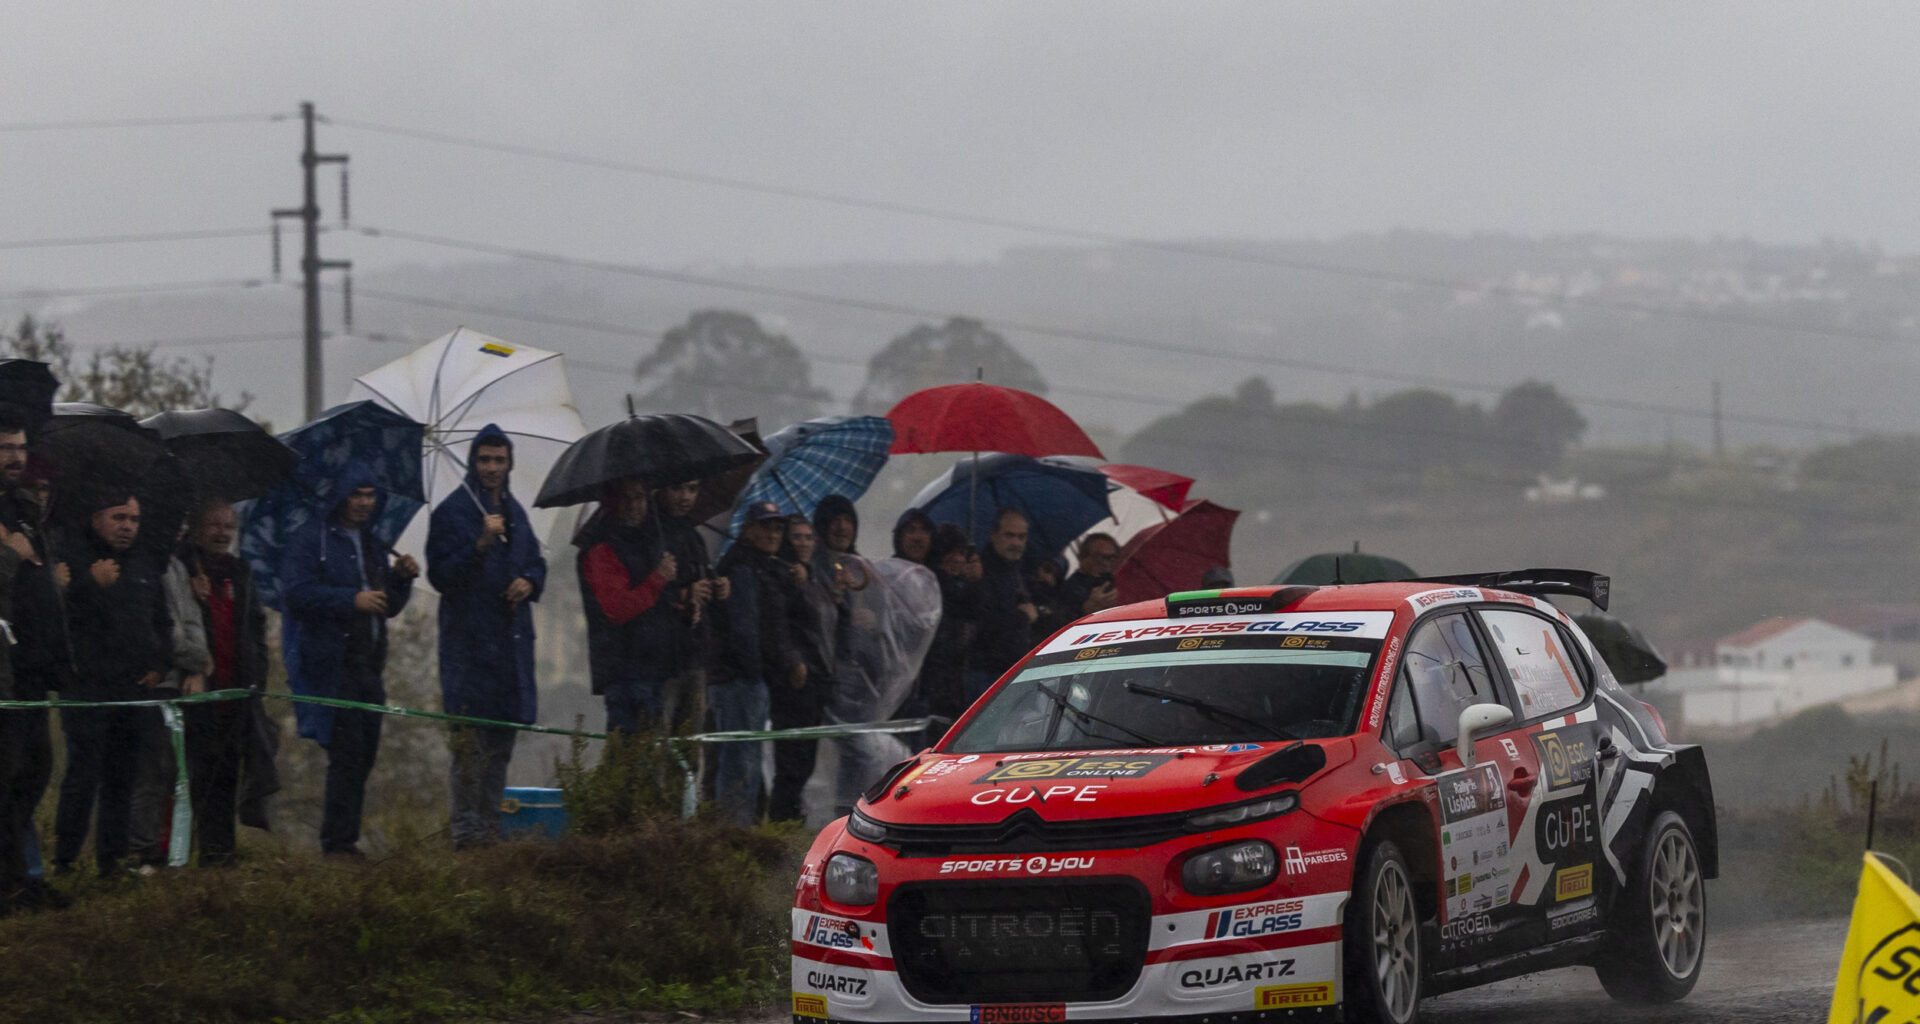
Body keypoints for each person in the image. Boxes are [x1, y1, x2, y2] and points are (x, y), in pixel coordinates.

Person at [280, 464, 419, 858]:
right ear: (341, 495)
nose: (363, 503)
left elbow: (386, 607)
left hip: (369, 666)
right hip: (331, 665)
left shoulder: (375, 543)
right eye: (356, 494)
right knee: (346, 754)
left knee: (366, 754)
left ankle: (345, 839)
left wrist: (401, 580)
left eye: (370, 495)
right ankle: (338, 844)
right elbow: (297, 593)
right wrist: (349, 600)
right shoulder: (312, 539)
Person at [426, 425, 545, 851]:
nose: (492, 468)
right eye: (484, 460)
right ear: (473, 463)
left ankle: (490, 831)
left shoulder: (516, 513)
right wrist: (479, 544)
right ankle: (466, 834)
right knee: (468, 751)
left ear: (509, 463)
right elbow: (441, 575)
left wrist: (529, 582)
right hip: (468, 653)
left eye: (499, 460)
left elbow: (535, 562)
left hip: (510, 654)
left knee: (499, 750)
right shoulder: (452, 513)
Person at [53, 493, 172, 877]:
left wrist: (159, 663)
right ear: (96, 519)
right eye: (119, 517)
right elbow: (59, 615)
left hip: (133, 687)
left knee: (122, 777)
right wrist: (89, 582)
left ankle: (113, 862)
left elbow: (161, 621)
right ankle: (66, 861)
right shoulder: (72, 556)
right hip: (86, 688)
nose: (127, 526)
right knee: (83, 776)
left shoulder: (145, 562)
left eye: (134, 519)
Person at [180, 498, 272, 866]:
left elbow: (256, 627)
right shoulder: (181, 567)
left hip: (237, 693)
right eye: (214, 525)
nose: (222, 533)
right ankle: (179, 854)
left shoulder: (241, 572)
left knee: (227, 773)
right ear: (196, 528)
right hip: (196, 691)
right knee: (194, 774)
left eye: (228, 527)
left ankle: (220, 853)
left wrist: (258, 677)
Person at [0, 429, 68, 912]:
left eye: (21, 447)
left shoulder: (20, 509)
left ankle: (22, 876)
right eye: (5, 447)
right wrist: (10, 554)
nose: (16, 457)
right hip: (3, 669)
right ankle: (9, 885)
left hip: (30, 667)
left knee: (34, 772)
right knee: (6, 777)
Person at [709, 502, 798, 825]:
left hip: (746, 678)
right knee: (740, 761)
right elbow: (744, 629)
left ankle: (739, 829)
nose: (773, 534)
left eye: (777, 528)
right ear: (748, 530)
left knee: (746, 759)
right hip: (739, 681)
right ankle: (734, 832)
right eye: (765, 527)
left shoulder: (762, 565)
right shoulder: (743, 568)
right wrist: (755, 672)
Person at [127, 532, 212, 870]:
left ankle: (164, 853)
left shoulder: (179, 564)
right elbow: (169, 635)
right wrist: (200, 661)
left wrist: (199, 663)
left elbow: (192, 623)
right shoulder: (148, 564)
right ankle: (140, 853)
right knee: (150, 772)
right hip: (155, 683)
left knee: (172, 772)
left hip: (179, 683)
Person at [576, 478, 679, 735]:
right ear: (611, 503)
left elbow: (655, 605)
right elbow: (618, 608)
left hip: (653, 667)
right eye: (626, 498)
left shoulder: (650, 540)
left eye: (640, 497)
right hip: (624, 671)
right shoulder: (601, 549)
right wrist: (658, 578)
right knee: (628, 761)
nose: (634, 505)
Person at [769, 515, 835, 823]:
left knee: (806, 757)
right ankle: (783, 818)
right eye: (797, 537)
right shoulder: (781, 573)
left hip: (819, 676)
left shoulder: (813, 572)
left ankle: (792, 815)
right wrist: (793, 661)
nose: (804, 543)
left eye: (809, 537)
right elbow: (780, 624)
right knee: (791, 758)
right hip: (795, 679)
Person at [655, 479, 723, 741]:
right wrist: (683, 595)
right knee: (658, 750)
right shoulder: (652, 533)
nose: (685, 497)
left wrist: (718, 587)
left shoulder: (693, 536)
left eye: (693, 489)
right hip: (663, 660)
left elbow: (703, 581)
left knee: (689, 753)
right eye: (677, 487)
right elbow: (646, 593)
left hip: (695, 656)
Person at [962, 507, 1037, 703]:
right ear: (994, 535)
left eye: (1021, 537)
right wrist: (1024, 616)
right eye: (1010, 535)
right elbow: (984, 620)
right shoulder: (980, 570)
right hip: (987, 672)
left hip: (1011, 669)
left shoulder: (1015, 569)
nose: (1016, 543)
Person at [920, 523, 979, 736]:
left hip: (954, 679)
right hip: (936, 681)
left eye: (962, 553)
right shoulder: (935, 584)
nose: (958, 559)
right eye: (951, 552)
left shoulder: (963, 585)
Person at [1037, 532, 1122, 637]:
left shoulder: (1110, 581)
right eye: (1102, 557)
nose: (1107, 563)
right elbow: (1056, 623)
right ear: (1084, 557)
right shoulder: (1070, 589)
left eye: (1113, 556)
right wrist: (1085, 610)